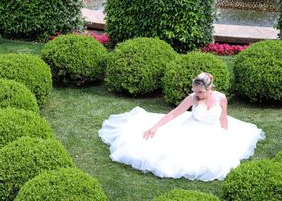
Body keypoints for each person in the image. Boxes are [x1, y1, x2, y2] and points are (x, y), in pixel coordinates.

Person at [98, 72, 265, 181]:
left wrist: (225, 136)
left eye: (200, 92)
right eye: (195, 90)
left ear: (210, 88)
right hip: (191, 129)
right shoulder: (192, 98)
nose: (197, 94)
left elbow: (223, 118)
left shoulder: (221, 98)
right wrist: (155, 127)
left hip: (211, 131)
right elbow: (173, 114)